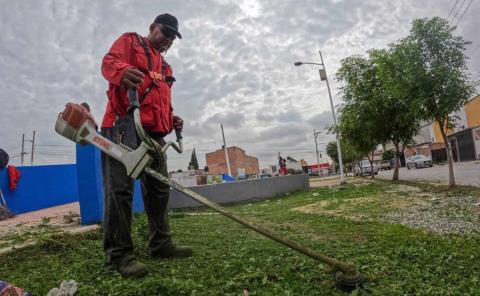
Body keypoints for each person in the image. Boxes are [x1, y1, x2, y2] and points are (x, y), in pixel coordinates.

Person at [100, 13, 191, 279]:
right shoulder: (131, 42)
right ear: (152, 28)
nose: (168, 40)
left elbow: (160, 99)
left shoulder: (166, 67)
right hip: (123, 125)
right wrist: (122, 71)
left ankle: (160, 244)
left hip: (154, 134)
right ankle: (120, 255)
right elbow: (108, 63)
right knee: (120, 191)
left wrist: (171, 118)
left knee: (159, 190)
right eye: (166, 32)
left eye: (173, 37)